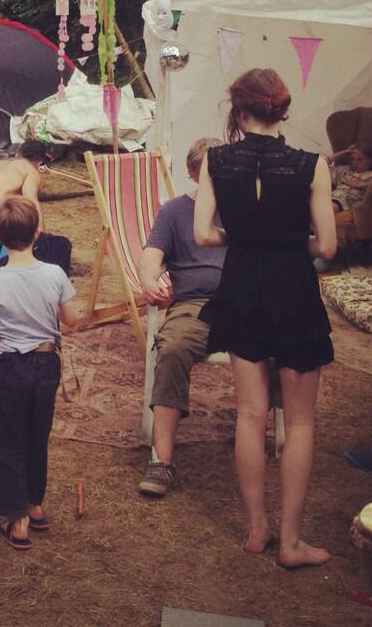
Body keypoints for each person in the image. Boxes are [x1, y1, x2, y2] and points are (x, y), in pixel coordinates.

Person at [194, 68, 337, 569]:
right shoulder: (311, 165)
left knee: (250, 415)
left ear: (239, 111)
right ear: (282, 110)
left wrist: (245, 236)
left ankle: (258, 531)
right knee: (299, 421)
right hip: (294, 289)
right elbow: (328, 246)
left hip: (242, 287)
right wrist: (293, 242)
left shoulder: (215, 160)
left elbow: (204, 235)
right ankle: (291, 542)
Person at [0, 197, 81, 550]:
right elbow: (71, 319)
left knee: (7, 440)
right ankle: (35, 505)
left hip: (12, 367)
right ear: (37, 233)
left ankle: (17, 519)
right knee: (37, 435)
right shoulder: (55, 273)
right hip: (46, 365)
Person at [137, 137, 225, 497]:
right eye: (208, 172)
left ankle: (278, 429)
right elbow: (151, 255)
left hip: (244, 302)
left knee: (280, 342)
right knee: (172, 348)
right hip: (194, 304)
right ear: (191, 173)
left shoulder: (244, 207)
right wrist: (148, 280)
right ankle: (162, 461)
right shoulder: (174, 211)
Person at [327, 142, 372, 223]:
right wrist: (344, 152)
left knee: (325, 208)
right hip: (330, 198)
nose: (355, 163)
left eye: (360, 159)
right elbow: (321, 166)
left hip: (345, 203)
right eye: (353, 159)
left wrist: (359, 185)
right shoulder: (346, 170)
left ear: (371, 161)